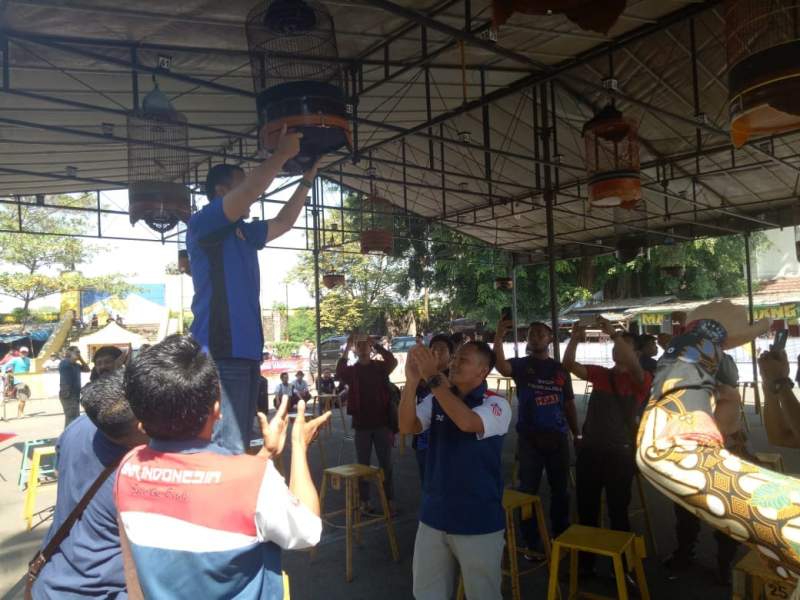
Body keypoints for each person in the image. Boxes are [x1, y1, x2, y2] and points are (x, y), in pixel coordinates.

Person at [115, 335, 329, 599]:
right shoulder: (253, 479)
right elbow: (308, 531)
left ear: (141, 421)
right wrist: (299, 445)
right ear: (217, 409)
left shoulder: (128, 469)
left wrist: (266, 453)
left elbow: (202, 493)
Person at [187, 127, 319, 454]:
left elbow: (285, 222)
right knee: (225, 445)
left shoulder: (244, 232)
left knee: (240, 442)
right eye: (240, 184)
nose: (249, 192)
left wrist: (306, 180)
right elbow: (250, 193)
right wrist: (281, 155)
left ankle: (235, 500)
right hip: (220, 349)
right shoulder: (204, 224)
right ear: (220, 192)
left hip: (245, 351)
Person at [399, 342, 511, 600]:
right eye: (455, 357)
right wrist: (412, 382)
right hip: (434, 516)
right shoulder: (436, 398)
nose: (454, 363)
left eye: (464, 360)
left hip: (478, 519)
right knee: (427, 593)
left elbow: (467, 422)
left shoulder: (497, 404)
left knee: (483, 594)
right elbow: (407, 426)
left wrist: (432, 377)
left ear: (482, 372)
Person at [31, 370, 147, 599]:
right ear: (141, 426)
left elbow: (58, 469)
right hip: (101, 591)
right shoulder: (139, 470)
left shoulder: (78, 427)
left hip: (50, 579)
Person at [563, 320, 652, 575]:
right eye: (616, 344)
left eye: (625, 345)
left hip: (619, 454)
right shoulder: (601, 374)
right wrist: (576, 338)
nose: (618, 348)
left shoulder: (641, 378)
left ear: (635, 353)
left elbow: (634, 367)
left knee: (618, 511)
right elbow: (569, 365)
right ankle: (586, 563)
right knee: (587, 509)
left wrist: (614, 333)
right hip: (590, 451)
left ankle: (624, 567)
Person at [494, 318, 578, 555]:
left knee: (560, 490)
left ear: (550, 338)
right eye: (531, 333)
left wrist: (577, 434)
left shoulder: (560, 369)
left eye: (541, 333)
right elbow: (501, 367)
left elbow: (570, 403)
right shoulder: (521, 365)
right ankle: (532, 542)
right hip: (529, 439)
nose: (535, 336)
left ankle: (561, 536)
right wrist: (499, 337)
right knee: (527, 491)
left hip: (558, 437)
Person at [336, 334, 398, 513]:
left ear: (370, 348)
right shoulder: (352, 371)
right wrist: (347, 347)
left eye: (366, 345)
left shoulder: (380, 367)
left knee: (386, 464)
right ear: (355, 349)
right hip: (361, 425)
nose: (363, 348)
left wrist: (376, 345)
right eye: (359, 345)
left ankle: (389, 500)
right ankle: (365, 501)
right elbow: (340, 370)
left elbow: (392, 360)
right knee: (362, 465)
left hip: (382, 423)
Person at [411, 334, 453, 484]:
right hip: (423, 439)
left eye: (442, 349)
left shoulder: (455, 377)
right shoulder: (420, 377)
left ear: (450, 355)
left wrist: (433, 373)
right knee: (427, 483)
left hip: (446, 440)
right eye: (433, 349)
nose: (437, 352)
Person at [58, 347, 89, 428]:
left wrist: (81, 358)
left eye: (79, 352)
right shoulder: (64, 362)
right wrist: (74, 356)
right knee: (72, 419)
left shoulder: (76, 365)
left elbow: (87, 369)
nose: (78, 354)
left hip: (75, 394)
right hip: (68, 394)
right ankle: (68, 437)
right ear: (69, 353)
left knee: (74, 418)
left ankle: (71, 436)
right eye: (76, 352)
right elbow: (70, 361)